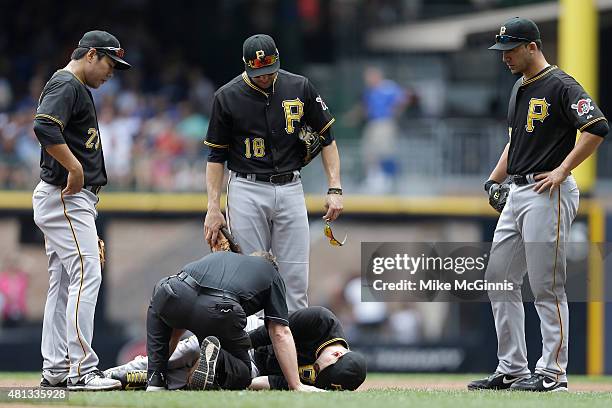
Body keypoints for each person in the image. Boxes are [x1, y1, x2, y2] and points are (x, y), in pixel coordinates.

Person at [468, 17, 608, 393]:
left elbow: (596, 127)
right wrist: (494, 179)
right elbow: (516, 143)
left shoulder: (561, 85)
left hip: (549, 191)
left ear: (533, 46)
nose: (505, 57)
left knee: (547, 285)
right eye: (502, 50)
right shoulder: (519, 88)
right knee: (499, 278)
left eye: (511, 49)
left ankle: (553, 373)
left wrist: (563, 170)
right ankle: (512, 369)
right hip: (518, 190)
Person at [203, 34, 343, 313]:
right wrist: (213, 208)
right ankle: (255, 354)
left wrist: (335, 188)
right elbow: (216, 156)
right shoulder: (227, 96)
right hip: (247, 187)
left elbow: (327, 138)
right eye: (258, 72)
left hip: (291, 186)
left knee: (295, 280)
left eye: (269, 70)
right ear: (245, 66)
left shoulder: (299, 86)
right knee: (249, 278)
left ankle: (294, 353)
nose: (265, 77)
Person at [32, 30, 131, 391]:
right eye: (109, 63)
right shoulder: (68, 84)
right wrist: (74, 167)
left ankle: (57, 367)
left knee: (62, 283)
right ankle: (80, 369)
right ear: (90, 54)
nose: (111, 72)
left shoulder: (74, 87)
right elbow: (44, 125)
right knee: (86, 274)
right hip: (66, 193)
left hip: (66, 197)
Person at [144, 251, 321, 392]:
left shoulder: (222, 258)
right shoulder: (272, 275)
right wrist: (295, 384)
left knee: (161, 311)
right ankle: (218, 359)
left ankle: (155, 381)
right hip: (220, 310)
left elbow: (182, 319)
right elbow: (279, 332)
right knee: (243, 372)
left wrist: (159, 364)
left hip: (172, 291)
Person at [105, 306, 367, 391]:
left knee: (186, 382)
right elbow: (273, 330)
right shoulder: (321, 320)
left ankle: (138, 380)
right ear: (336, 353)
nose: (317, 374)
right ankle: (111, 374)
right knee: (184, 352)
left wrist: (248, 382)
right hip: (252, 335)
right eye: (321, 370)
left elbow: (269, 381)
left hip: (252, 366)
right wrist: (235, 341)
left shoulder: (327, 378)